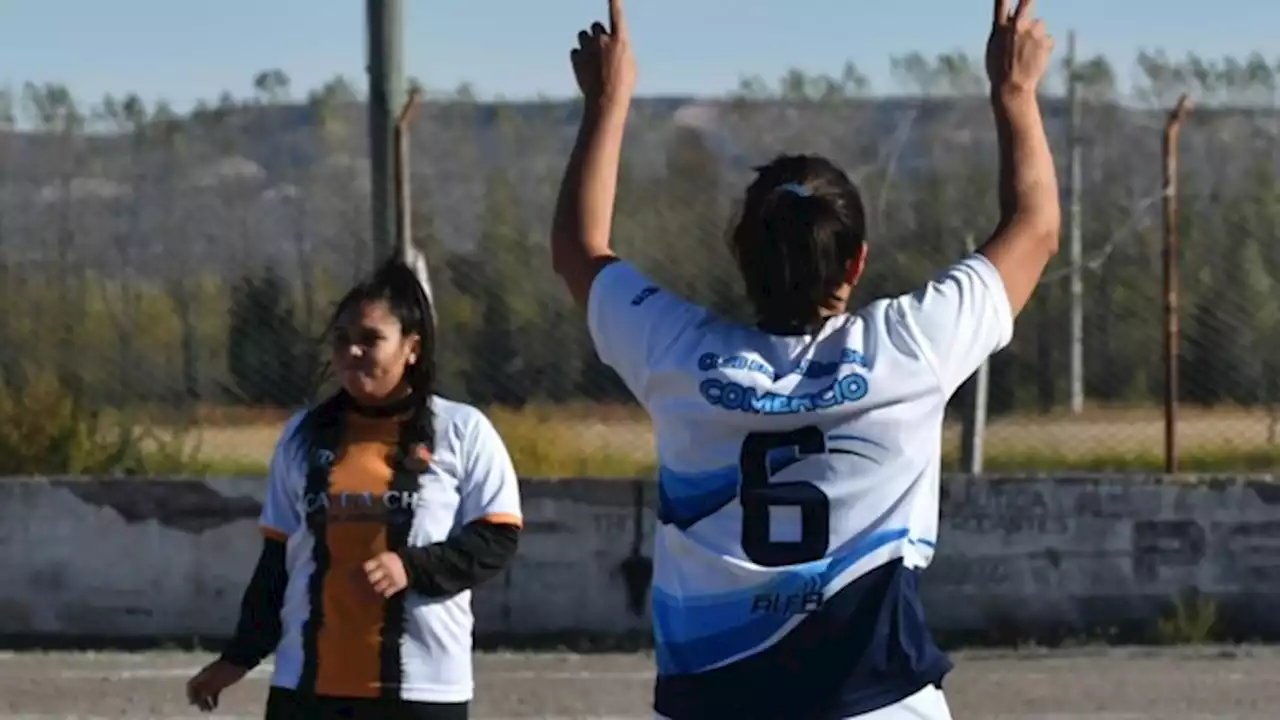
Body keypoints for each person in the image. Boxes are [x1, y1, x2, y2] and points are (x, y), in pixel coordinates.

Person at [551, 0, 1056, 718]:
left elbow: (578, 248)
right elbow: (1034, 228)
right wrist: (1015, 92)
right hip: (875, 703)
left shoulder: (679, 356)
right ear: (856, 260)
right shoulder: (909, 350)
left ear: (740, 255)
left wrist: (607, 102)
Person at [185, 257, 523, 720]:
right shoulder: (303, 435)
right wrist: (237, 659)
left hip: (423, 690)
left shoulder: (462, 430)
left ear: (412, 348)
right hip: (306, 686)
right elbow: (276, 566)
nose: (352, 352)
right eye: (342, 340)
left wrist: (413, 567)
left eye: (370, 339)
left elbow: (496, 538)